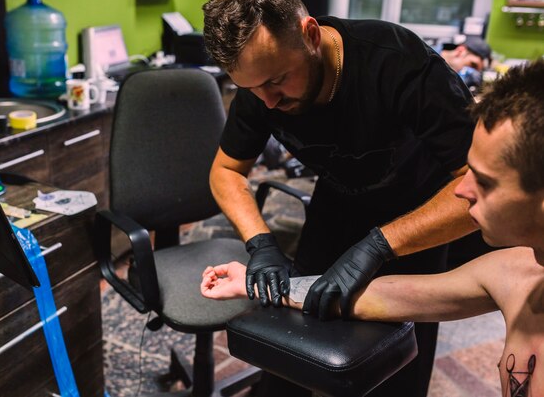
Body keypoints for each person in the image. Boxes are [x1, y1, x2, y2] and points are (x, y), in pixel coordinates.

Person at [201, 58, 544, 397]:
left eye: (484, 182)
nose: (461, 190)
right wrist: (259, 286)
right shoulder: (512, 272)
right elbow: (387, 298)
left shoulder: (402, 66)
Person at [202, 0, 476, 395]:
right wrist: (260, 243)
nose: (268, 102)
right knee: (291, 350)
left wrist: (380, 245)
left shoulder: (399, 64)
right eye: (251, 89)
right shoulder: (261, 89)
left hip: (418, 218)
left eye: (277, 81)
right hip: (336, 208)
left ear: (310, 35)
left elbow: (477, 186)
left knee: (396, 369)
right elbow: (225, 171)